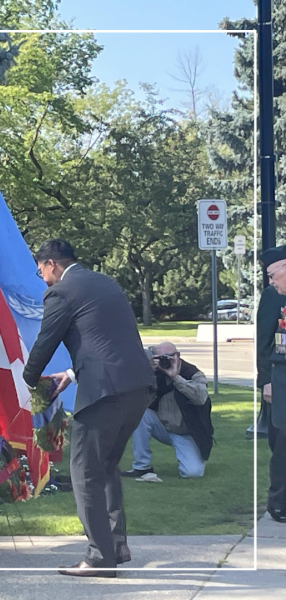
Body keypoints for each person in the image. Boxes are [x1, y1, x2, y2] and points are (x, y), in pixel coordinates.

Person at [23, 239, 154, 577]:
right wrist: (70, 374)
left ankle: (98, 558)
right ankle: (115, 546)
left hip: (104, 393)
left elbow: (46, 340)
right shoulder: (104, 282)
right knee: (105, 465)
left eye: (40, 271)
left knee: (84, 471)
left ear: (51, 264)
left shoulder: (61, 292)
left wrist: (28, 379)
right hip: (139, 386)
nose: (42, 279)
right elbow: (107, 339)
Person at [121, 342, 213, 480]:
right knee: (140, 413)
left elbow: (200, 398)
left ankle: (190, 455)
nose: (164, 361)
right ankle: (141, 466)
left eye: (167, 357)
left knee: (192, 473)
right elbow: (136, 398)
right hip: (162, 426)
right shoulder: (155, 373)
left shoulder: (192, 373)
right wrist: (149, 373)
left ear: (177, 356)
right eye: (159, 358)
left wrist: (176, 378)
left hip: (187, 431)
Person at [257, 245, 286, 523]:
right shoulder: (272, 297)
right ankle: (279, 502)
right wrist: (266, 380)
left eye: (272, 274)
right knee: (282, 443)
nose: (270, 281)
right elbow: (265, 342)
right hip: (279, 381)